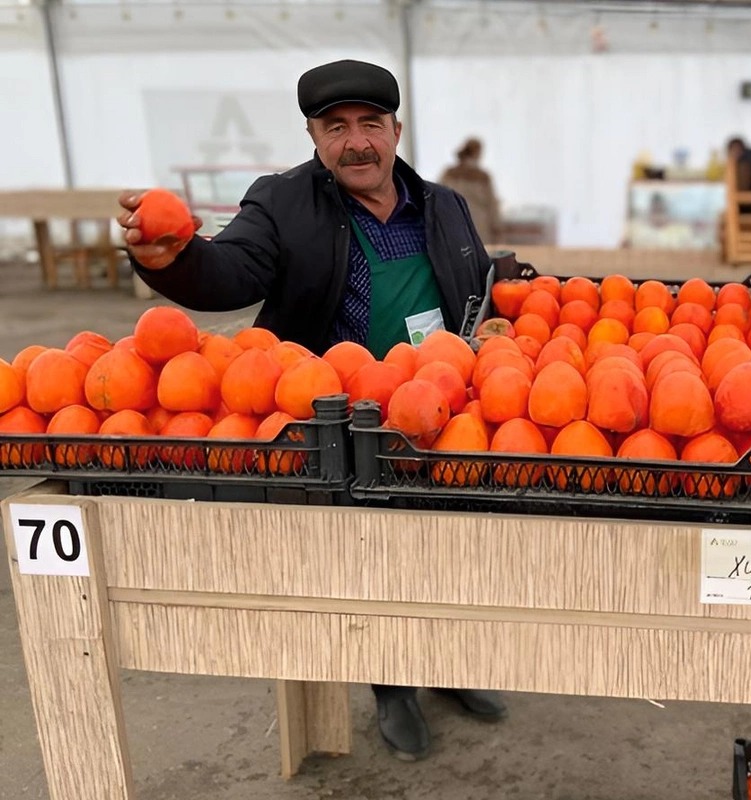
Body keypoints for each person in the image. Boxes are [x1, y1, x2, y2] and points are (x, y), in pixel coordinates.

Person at [116, 59, 506, 761]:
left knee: (445, 554)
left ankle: (449, 666)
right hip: (338, 426)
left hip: (433, 414)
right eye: (336, 128)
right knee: (368, 564)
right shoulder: (284, 203)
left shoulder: (443, 205)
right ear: (314, 138)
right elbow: (229, 271)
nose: (356, 143)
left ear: (395, 131)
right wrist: (173, 259)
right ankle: (392, 688)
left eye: (370, 125)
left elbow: (476, 289)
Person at [438, 138, 503, 245]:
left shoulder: (449, 174)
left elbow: (438, 199)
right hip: (479, 225)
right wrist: (497, 227)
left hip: (454, 222)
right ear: (477, 153)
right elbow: (492, 204)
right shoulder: (483, 177)